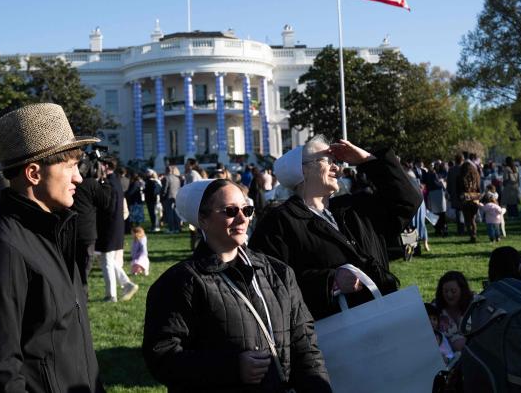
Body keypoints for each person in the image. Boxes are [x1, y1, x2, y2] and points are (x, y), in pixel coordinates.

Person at [0, 103, 105, 393]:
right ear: (34, 173)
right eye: (70, 166)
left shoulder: (55, 234)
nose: (78, 177)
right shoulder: (0, 250)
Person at [143, 179, 332, 392]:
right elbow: (161, 355)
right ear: (203, 219)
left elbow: (305, 345)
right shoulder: (180, 282)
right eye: (230, 211)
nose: (242, 218)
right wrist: (231, 368)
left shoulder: (278, 272)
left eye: (247, 209)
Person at [249, 136, 421, 320]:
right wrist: (330, 282)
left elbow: (407, 202)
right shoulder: (279, 222)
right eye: (327, 161)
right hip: (333, 333)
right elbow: (269, 283)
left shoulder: (354, 208)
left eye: (336, 162)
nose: (337, 168)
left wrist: (367, 160)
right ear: (302, 170)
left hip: (385, 316)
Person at [96, 157, 138, 302]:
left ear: (106, 166)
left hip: (109, 227)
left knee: (107, 261)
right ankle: (126, 284)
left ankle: (111, 294)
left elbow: (106, 208)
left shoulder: (110, 183)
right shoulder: (115, 181)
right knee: (107, 260)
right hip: (115, 226)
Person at [71, 156, 113, 293]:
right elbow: (105, 202)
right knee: (83, 273)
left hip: (69, 233)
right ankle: (82, 299)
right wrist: (103, 180)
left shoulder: (70, 184)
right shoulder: (90, 184)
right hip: (86, 234)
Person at [434, 271, 473, 352]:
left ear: (462, 290)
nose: (449, 295)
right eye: (445, 291)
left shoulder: (474, 306)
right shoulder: (435, 310)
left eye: (453, 291)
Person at [457, 161, 481, 243]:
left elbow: (459, 189)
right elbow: (478, 187)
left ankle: (471, 235)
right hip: (475, 197)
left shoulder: (461, 177)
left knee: (467, 219)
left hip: (465, 198)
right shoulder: (476, 176)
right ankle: (474, 234)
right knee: (473, 219)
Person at [447, 154, 465, 235]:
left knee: (458, 212)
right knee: (465, 212)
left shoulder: (451, 169)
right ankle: (464, 228)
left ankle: (460, 229)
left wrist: (449, 192)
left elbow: (449, 182)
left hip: (454, 193)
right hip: (463, 192)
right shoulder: (464, 169)